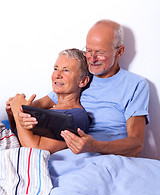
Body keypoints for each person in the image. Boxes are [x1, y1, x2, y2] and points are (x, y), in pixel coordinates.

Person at [14, 19, 149, 157]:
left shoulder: (135, 85)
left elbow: (136, 144)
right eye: (88, 51)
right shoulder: (79, 77)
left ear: (119, 52)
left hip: (108, 157)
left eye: (100, 53)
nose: (92, 59)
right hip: (67, 154)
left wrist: (95, 146)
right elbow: (31, 108)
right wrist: (17, 110)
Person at [7, 48, 90, 154]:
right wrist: (12, 115)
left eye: (66, 70)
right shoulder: (49, 108)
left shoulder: (75, 116)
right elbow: (19, 135)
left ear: (82, 81)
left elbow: (35, 150)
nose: (57, 75)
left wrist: (17, 110)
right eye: (56, 68)